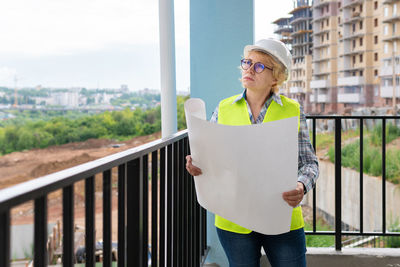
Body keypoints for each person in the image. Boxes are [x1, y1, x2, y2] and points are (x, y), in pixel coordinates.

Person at [185, 39, 319, 267]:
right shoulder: (224, 108)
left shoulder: (293, 110)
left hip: (281, 217)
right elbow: (211, 156)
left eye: (259, 66)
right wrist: (197, 162)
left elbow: (309, 163)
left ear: (276, 77)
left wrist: (301, 186)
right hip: (233, 219)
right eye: (247, 63)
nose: (248, 69)